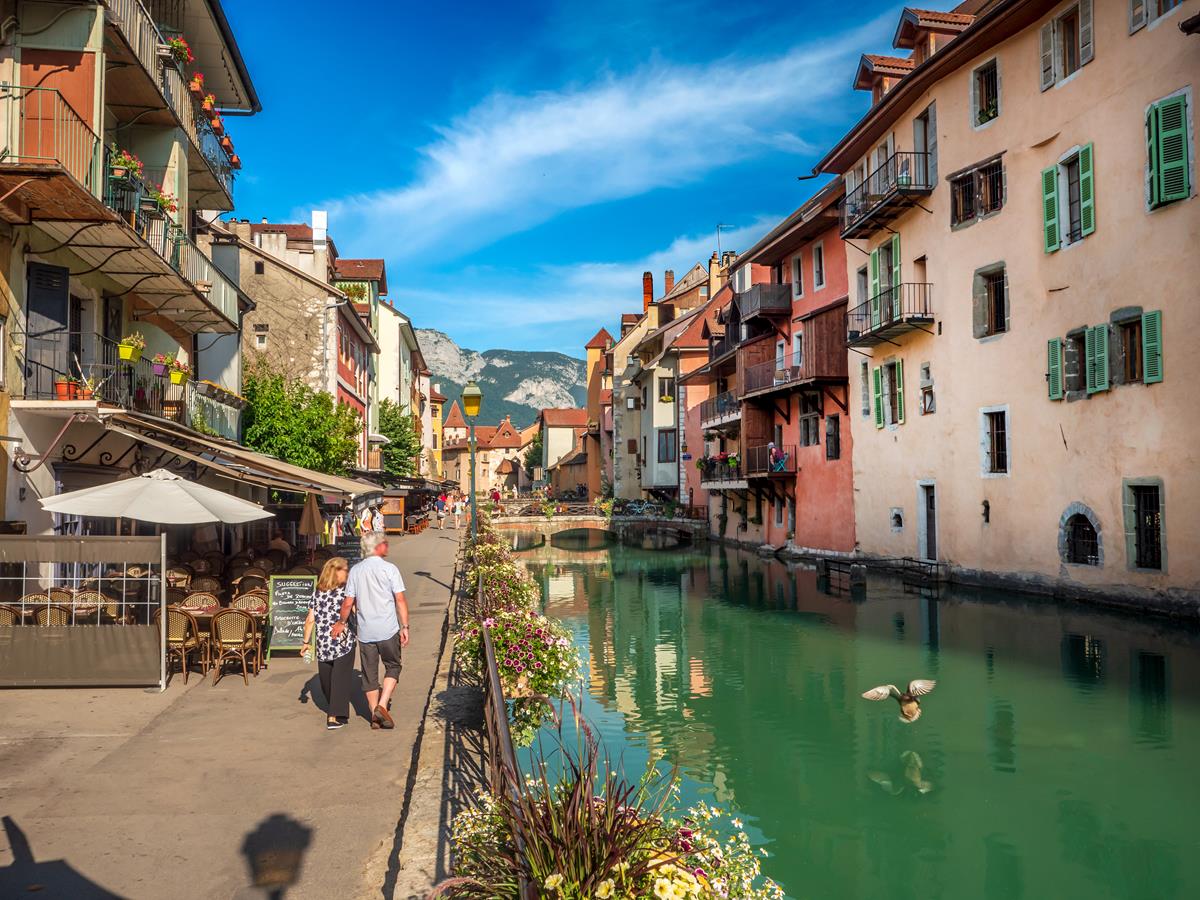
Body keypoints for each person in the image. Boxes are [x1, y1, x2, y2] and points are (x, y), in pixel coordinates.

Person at [333, 532, 409, 730]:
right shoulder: (390, 569)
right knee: (393, 666)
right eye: (385, 543)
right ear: (378, 547)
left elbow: (348, 602)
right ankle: (382, 706)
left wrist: (341, 621)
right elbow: (399, 599)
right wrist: (405, 626)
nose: (387, 545)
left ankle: (373, 714)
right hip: (388, 628)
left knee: (369, 674)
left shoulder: (356, 571)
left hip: (366, 631)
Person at [301, 557, 355, 731]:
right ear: (335, 571)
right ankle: (334, 715)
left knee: (327, 680)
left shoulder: (318, 592)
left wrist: (306, 642)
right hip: (343, 642)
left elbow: (310, 620)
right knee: (339, 679)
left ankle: (334, 711)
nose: (348, 572)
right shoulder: (346, 592)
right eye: (345, 569)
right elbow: (356, 611)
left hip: (323, 644)